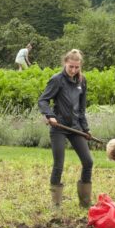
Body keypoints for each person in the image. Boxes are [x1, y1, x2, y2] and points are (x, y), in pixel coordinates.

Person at [37, 49, 93, 208]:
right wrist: (50, 116)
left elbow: (81, 109)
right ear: (65, 63)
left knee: (88, 161)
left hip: (75, 127)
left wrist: (86, 129)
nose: (74, 70)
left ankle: (85, 202)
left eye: (77, 67)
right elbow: (43, 100)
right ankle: (56, 205)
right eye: (71, 67)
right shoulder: (57, 80)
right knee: (59, 165)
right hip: (59, 127)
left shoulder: (82, 81)